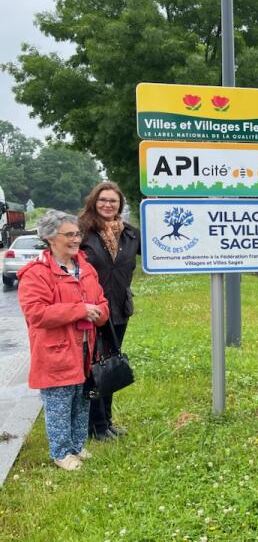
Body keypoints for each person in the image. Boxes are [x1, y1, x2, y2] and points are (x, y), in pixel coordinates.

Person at [17, 210, 109, 471]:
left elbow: (101, 301)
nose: (75, 239)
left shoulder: (86, 268)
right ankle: (60, 453)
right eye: (69, 234)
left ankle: (78, 446)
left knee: (81, 399)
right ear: (50, 238)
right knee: (59, 404)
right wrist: (80, 310)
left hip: (85, 348)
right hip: (55, 350)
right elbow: (36, 313)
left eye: (77, 233)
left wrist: (100, 312)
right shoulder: (36, 273)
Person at [78, 181, 140, 441]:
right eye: (103, 199)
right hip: (92, 310)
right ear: (94, 201)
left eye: (113, 201)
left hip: (119, 309)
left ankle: (107, 421)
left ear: (120, 205)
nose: (107, 204)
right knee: (93, 367)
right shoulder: (82, 232)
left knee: (111, 365)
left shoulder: (130, 235)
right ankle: (97, 425)